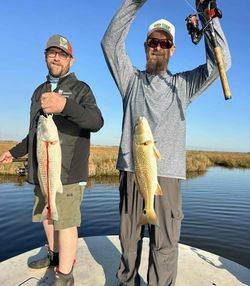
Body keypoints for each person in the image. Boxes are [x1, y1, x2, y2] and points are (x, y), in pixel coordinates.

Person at [101, 0, 231, 285]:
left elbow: (221, 64)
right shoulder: (130, 81)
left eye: (164, 43)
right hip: (133, 173)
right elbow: (110, 42)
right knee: (129, 243)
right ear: (146, 46)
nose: (157, 47)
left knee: (165, 248)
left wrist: (207, 17)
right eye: (152, 42)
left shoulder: (183, 85)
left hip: (169, 177)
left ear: (173, 49)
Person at [0, 34, 104, 286]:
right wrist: (13, 152)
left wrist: (65, 105)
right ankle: (54, 255)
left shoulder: (81, 89)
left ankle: (65, 274)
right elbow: (35, 132)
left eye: (62, 54)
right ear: (45, 56)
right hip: (41, 169)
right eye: (51, 53)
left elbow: (96, 122)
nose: (56, 57)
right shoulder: (38, 91)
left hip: (67, 173)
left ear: (71, 59)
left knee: (65, 222)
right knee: (47, 216)